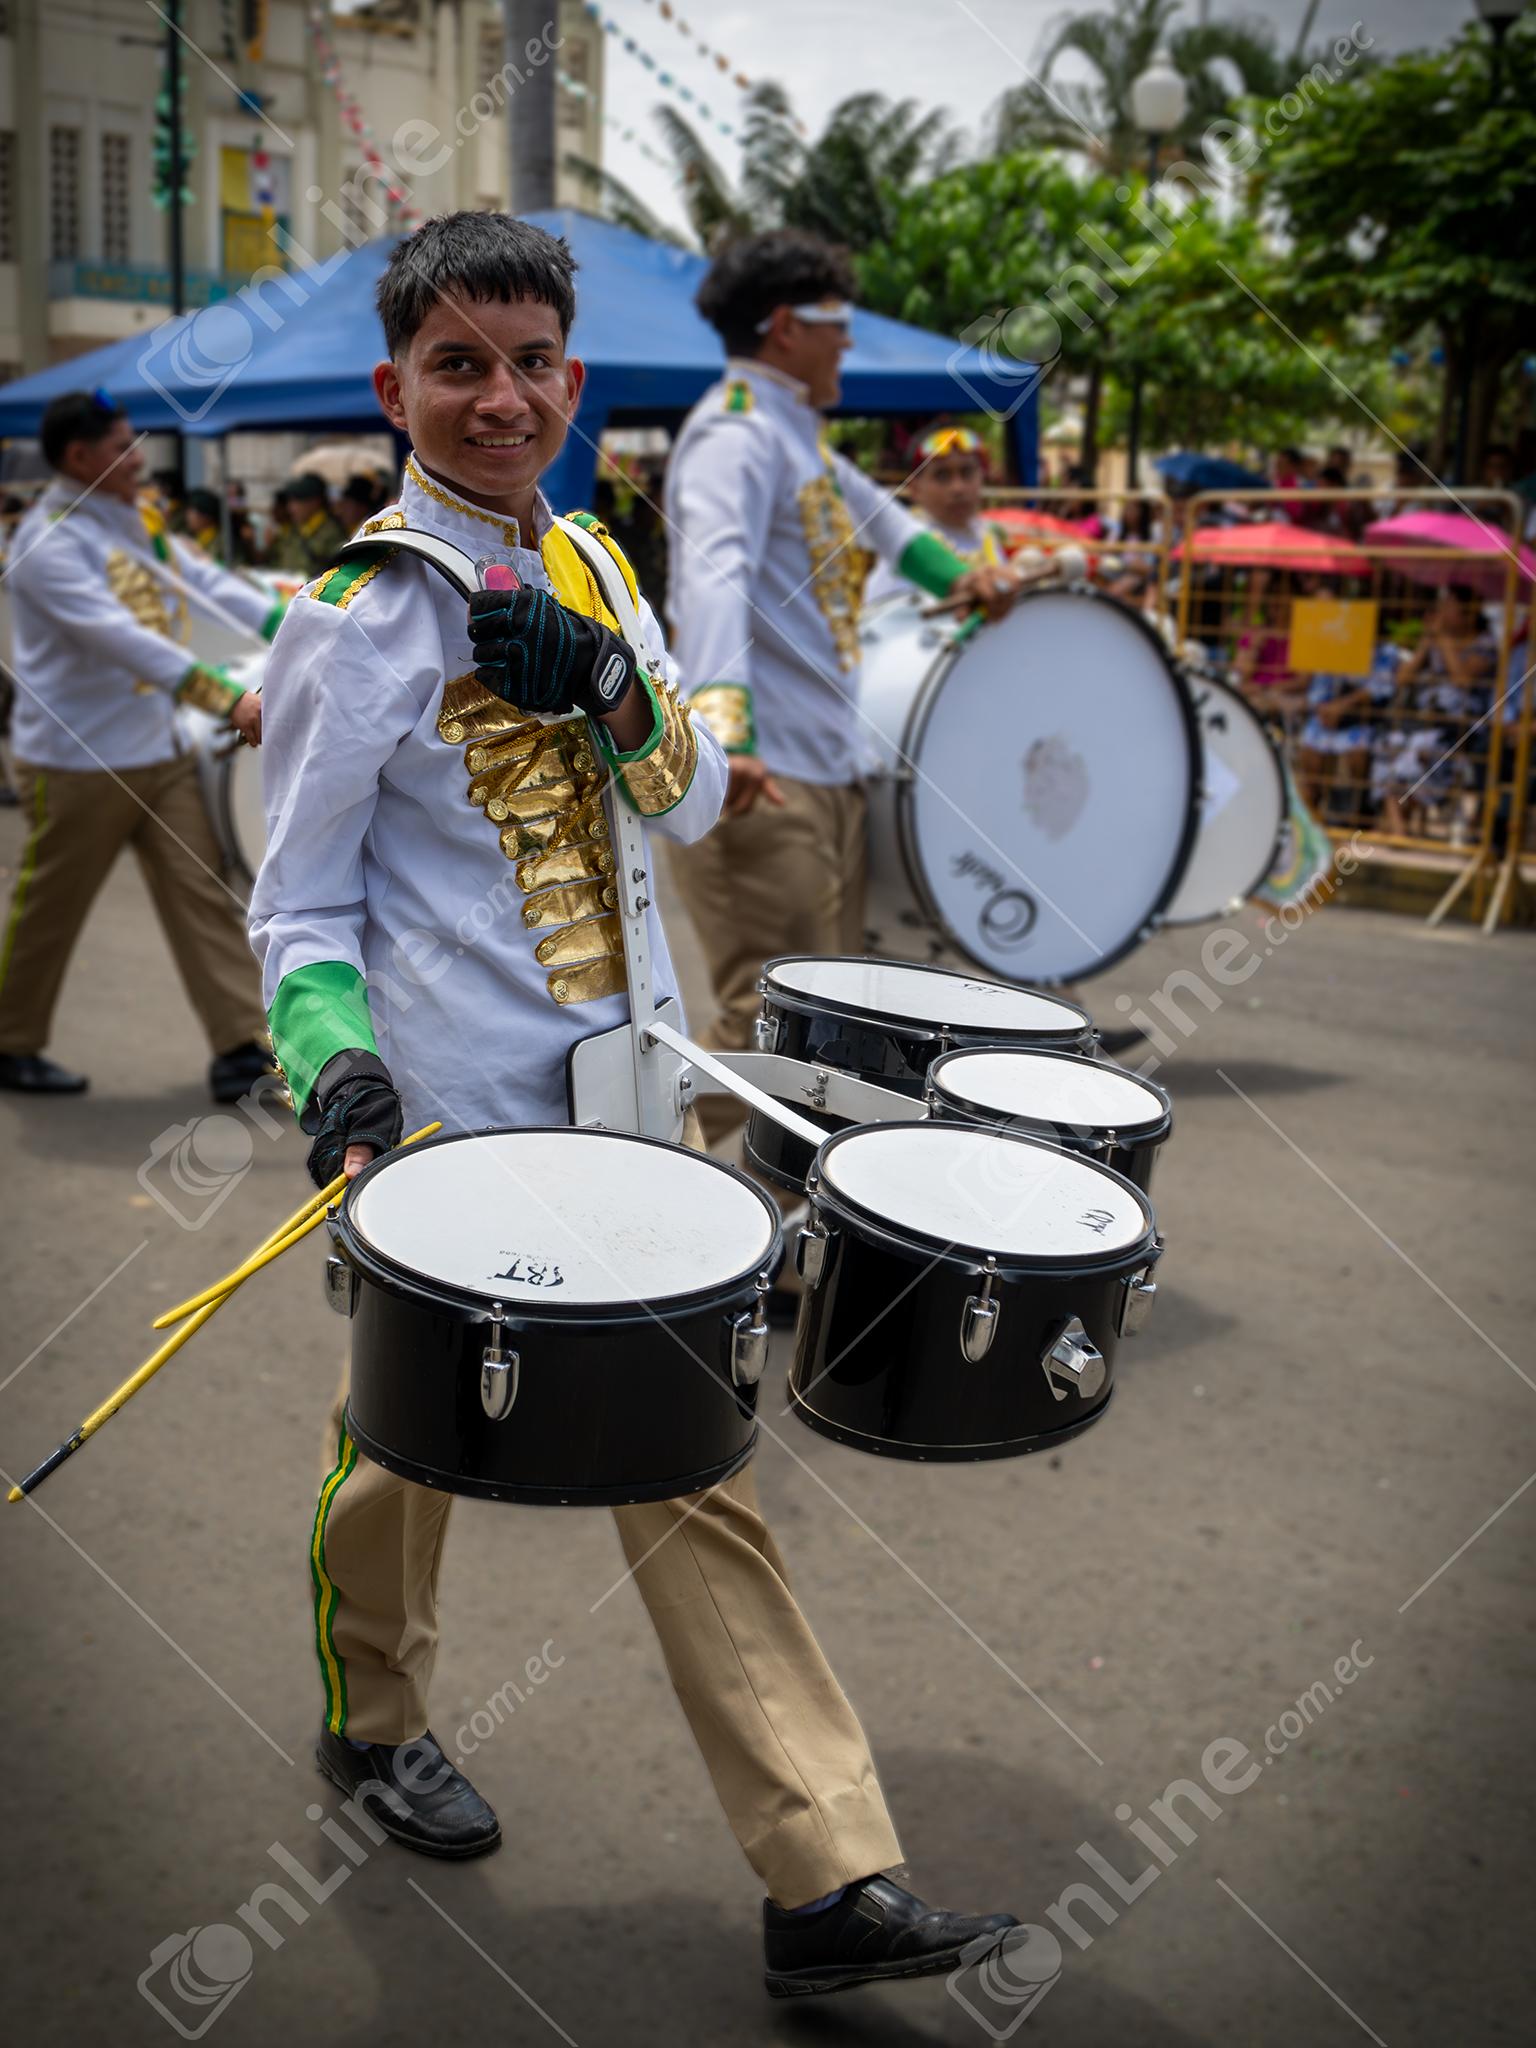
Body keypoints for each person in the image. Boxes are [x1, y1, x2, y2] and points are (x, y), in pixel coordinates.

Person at [248, 212, 1018, 1999]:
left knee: (693, 1462)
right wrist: (336, 1067)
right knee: (400, 1451)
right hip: (445, 1126)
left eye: (530, 363)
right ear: (393, 390)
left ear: (572, 381)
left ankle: (825, 1874)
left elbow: (689, 798)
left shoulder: (598, 562)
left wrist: (607, 686)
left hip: (627, 1106)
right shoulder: (352, 617)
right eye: (458, 365)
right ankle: (375, 1716)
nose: (499, 398)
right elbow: (296, 909)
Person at [664, 231, 1015, 1143]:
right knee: (766, 1029)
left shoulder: (796, 435)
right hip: (763, 778)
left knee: (826, 1036)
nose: (849, 342)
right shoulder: (735, 432)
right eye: (838, 323)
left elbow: (891, 527)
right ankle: (629, 1170)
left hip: (822, 773)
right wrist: (726, 736)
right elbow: (713, 578)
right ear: (786, 327)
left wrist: (965, 577)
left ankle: (777, 1216)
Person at [0, 389, 280, 1098]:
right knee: (51, 907)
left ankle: (241, 1047)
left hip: (157, 750)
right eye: (121, 446)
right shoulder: (47, 543)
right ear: (79, 457)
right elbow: (123, 640)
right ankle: (9, 1041)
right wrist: (225, 697)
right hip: (78, 761)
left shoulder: (132, 518)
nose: (137, 457)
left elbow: (206, 585)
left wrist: (299, 622)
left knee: (204, 893)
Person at [864, 424, 1016, 604]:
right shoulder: (907, 544)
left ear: (981, 477)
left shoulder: (988, 536)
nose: (958, 488)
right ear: (916, 489)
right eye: (942, 475)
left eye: (967, 472)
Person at [267, 471, 346, 577]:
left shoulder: (333, 533)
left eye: (297, 501)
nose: (290, 508)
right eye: (290, 501)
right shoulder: (293, 528)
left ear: (314, 501)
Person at [181, 487, 223, 559]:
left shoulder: (222, 541)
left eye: (193, 512)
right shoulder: (196, 536)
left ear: (207, 516)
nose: (188, 516)